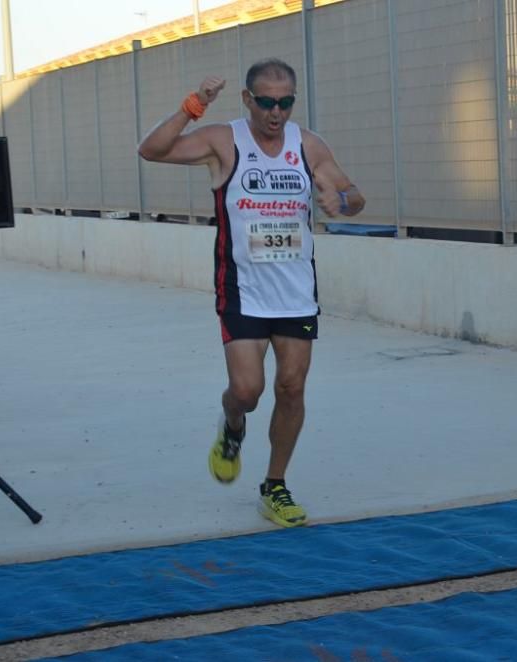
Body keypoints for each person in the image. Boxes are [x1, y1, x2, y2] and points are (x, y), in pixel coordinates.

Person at [138, 58, 365, 527]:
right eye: (266, 102)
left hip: (297, 291)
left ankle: (275, 485)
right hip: (242, 289)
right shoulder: (225, 141)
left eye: (285, 103)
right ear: (248, 99)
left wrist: (338, 202)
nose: (275, 113)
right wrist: (194, 104)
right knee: (247, 391)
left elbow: (355, 197)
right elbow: (152, 150)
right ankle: (232, 425)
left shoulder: (308, 146)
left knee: (292, 386)